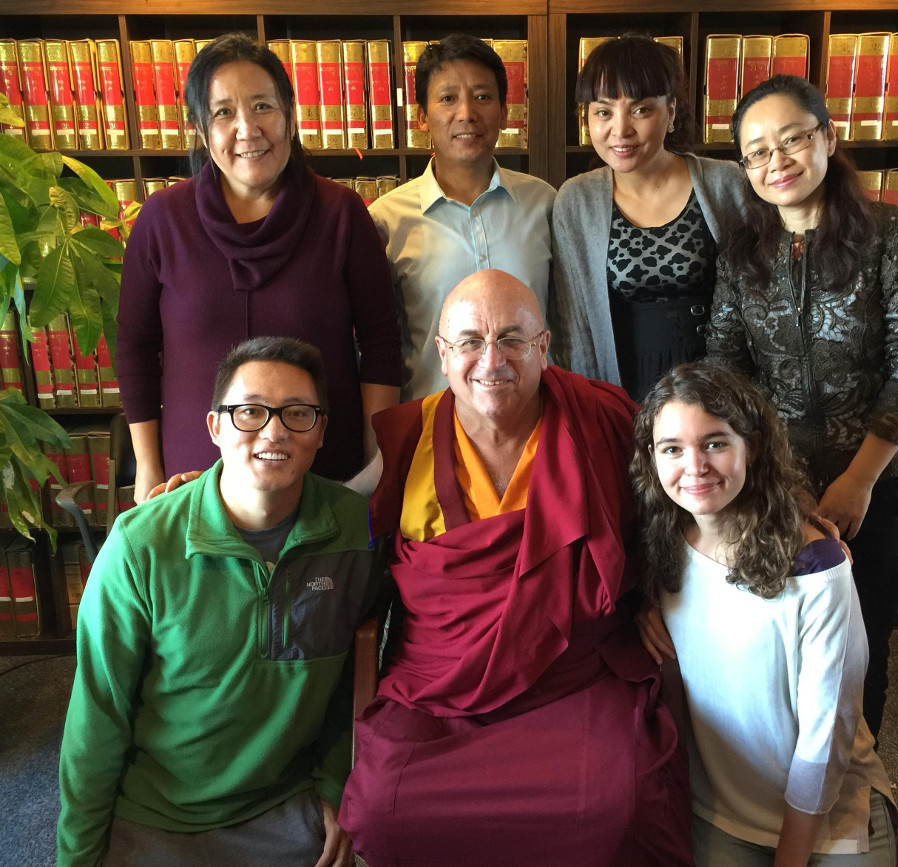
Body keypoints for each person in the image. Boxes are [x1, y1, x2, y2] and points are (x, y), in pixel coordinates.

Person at [337, 270, 692, 866]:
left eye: (511, 339)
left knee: (619, 807)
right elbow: (335, 511)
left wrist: (787, 514)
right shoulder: (412, 434)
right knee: (380, 809)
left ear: (544, 348)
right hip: (441, 684)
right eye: (471, 341)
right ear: (443, 355)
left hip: (574, 675)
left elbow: (686, 489)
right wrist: (216, 491)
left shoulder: (600, 420)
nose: (491, 359)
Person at [57, 337, 383, 867]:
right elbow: (97, 716)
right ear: (215, 427)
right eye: (249, 411)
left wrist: (336, 785)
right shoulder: (140, 545)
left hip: (289, 808)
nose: (273, 431)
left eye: (297, 413)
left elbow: (358, 677)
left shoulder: (357, 530)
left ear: (321, 430)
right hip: (158, 817)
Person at [707, 74, 898, 739]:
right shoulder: (742, 251)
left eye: (793, 139)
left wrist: (859, 479)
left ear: (828, 138)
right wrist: (769, 476)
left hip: (878, 481)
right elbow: (726, 366)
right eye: (756, 150)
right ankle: (787, 795)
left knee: (863, 650)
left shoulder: (892, 233)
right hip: (775, 486)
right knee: (780, 646)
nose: (776, 161)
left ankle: (860, 790)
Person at [117, 32, 401, 502]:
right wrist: (148, 468)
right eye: (224, 112)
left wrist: (376, 461)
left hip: (325, 470)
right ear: (202, 130)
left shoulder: (342, 214)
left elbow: (380, 341)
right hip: (192, 478)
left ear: (290, 117)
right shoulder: (163, 220)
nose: (247, 129)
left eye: (262, 106)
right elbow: (135, 347)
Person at [633, 361, 897, 865]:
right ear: (652, 458)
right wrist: (640, 611)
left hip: (826, 806)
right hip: (722, 809)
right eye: (672, 449)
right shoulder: (661, 547)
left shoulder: (817, 566)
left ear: (751, 446)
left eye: (715, 442)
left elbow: (829, 730)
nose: (694, 467)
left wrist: (791, 856)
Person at [550, 34, 744, 399]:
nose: (620, 130)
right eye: (603, 111)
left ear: (670, 111)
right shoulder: (576, 201)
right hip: (625, 382)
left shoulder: (726, 183)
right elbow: (574, 325)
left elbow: (759, 295)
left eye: (640, 110)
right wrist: (594, 405)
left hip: (719, 379)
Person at [368, 34, 555, 401]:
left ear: (504, 111)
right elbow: (379, 346)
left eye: (483, 97)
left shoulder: (544, 204)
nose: (466, 113)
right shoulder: (386, 221)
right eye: (448, 98)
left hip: (536, 422)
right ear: (422, 116)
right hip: (429, 426)